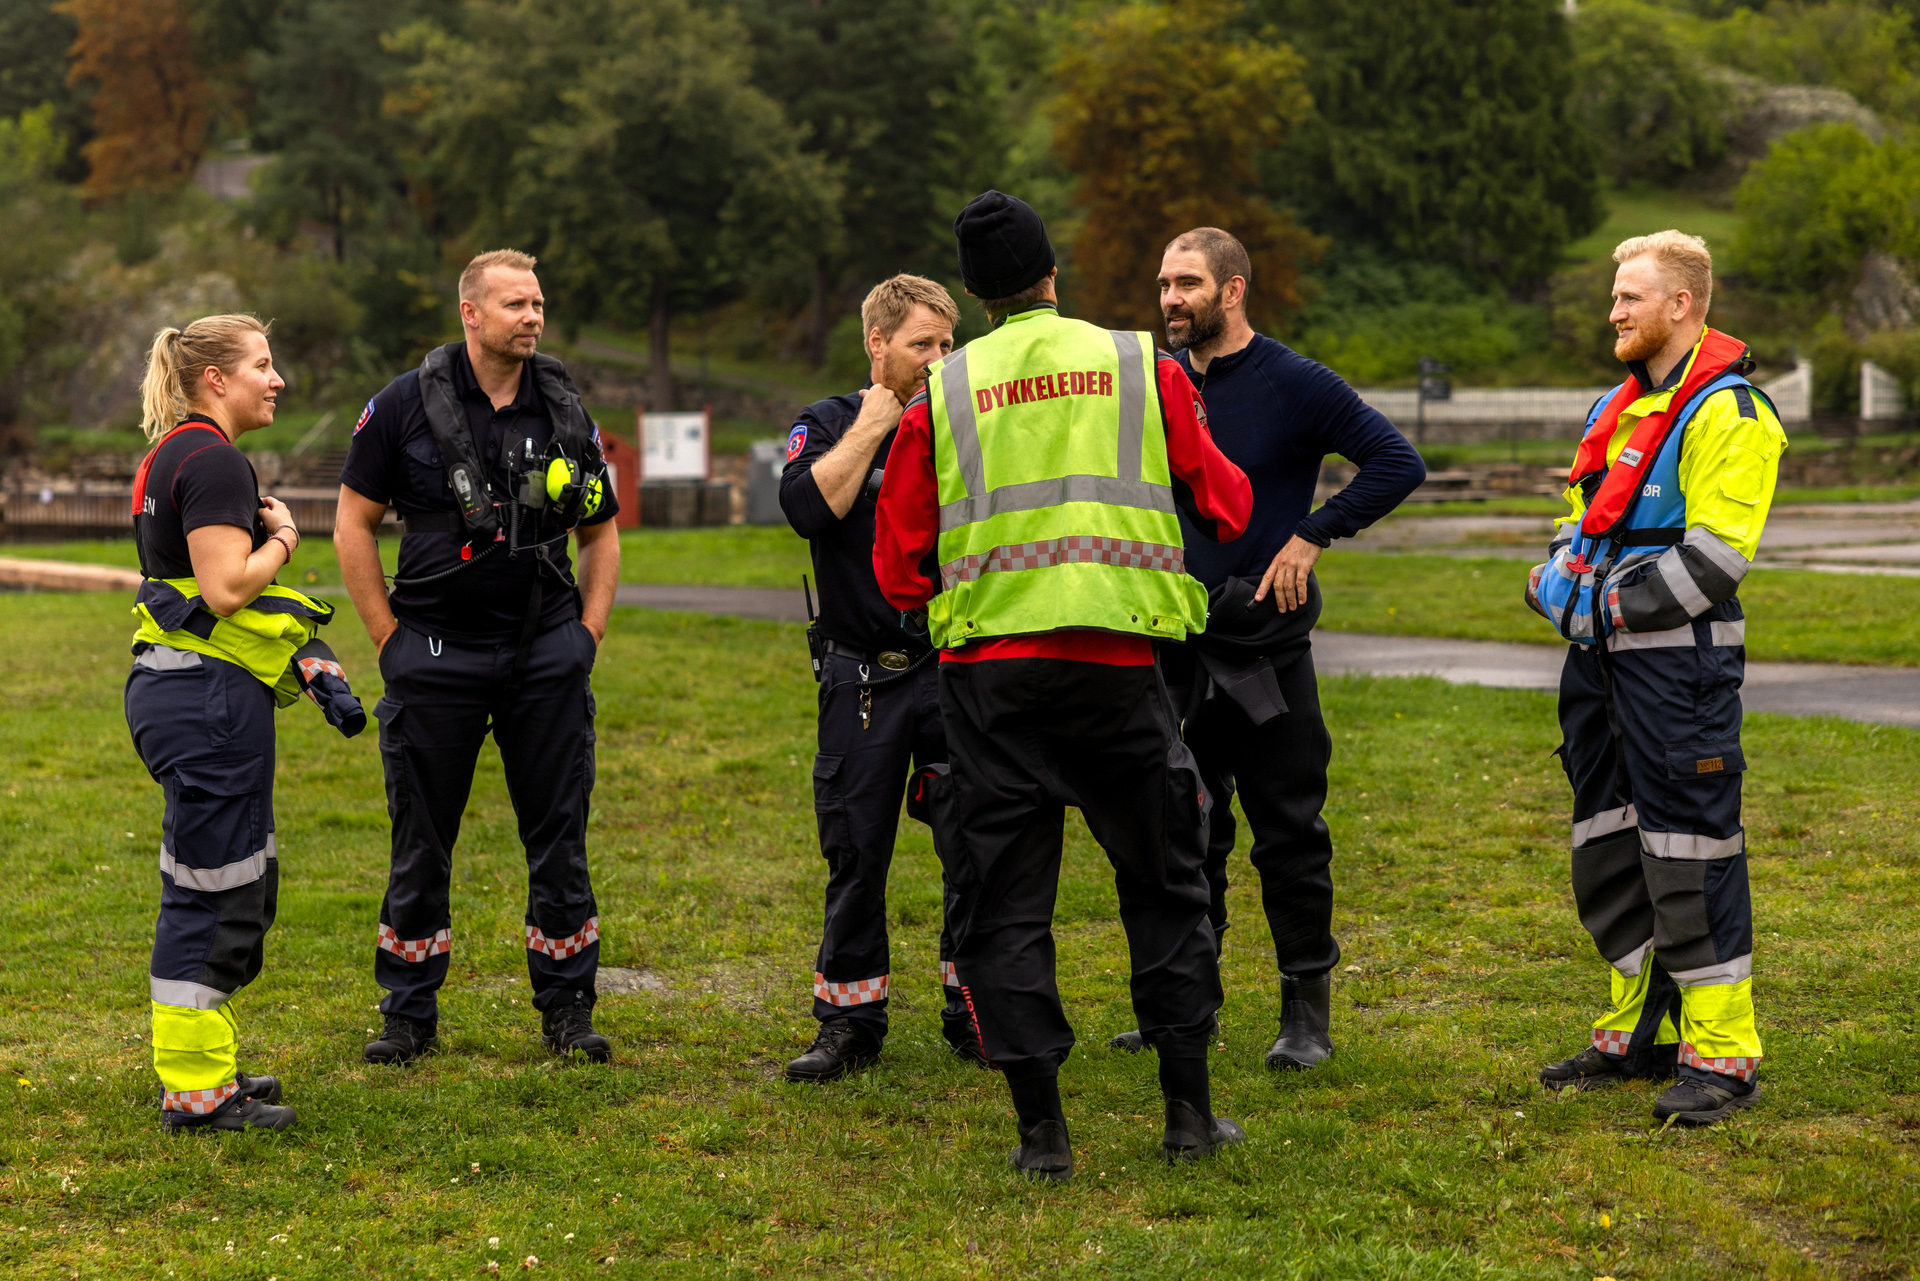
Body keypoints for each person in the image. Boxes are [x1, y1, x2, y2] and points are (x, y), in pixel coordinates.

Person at [873, 191, 1254, 1180]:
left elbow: (898, 569)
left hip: (991, 685)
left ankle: (1043, 1134)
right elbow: (1226, 499)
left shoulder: (944, 395)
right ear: (1054, 271)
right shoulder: (1139, 364)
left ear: (975, 292)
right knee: (1166, 884)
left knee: (1002, 901)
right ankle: (1188, 1117)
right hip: (1121, 669)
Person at [1105, 229, 1426, 1069]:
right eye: (1165, 283)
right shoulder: (1147, 380)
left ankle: (1305, 1014)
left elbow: (1398, 460)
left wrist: (1312, 534)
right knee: (1181, 833)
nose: (1171, 299)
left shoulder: (1293, 381)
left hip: (1267, 653)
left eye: (1188, 284)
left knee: (1289, 833)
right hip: (1174, 648)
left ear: (1234, 290)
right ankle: (1186, 1004)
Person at [336, 249, 621, 1066]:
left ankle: (568, 1008)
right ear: (471, 313)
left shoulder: (564, 407)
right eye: (515, 305)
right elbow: (352, 525)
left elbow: (601, 531)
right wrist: (388, 641)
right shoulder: (400, 405)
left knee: (559, 835)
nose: (532, 317)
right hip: (432, 654)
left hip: (547, 656)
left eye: (538, 304)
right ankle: (408, 1012)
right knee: (421, 839)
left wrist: (588, 636)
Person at [1526, 231, 1784, 1125]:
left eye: (1631, 296)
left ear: (1682, 304)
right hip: (1598, 670)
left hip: (1680, 672)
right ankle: (1635, 1035)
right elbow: (1574, 527)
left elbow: (1715, 558)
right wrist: (1555, 583)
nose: (1615, 311)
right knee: (1608, 845)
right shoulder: (1616, 404)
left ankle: (1723, 1055)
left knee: (1692, 851)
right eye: (1614, 295)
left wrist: (1594, 607)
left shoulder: (1733, 412)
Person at [128, 314, 358, 1132]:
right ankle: (195, 1091)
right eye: (263, 364)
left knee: (217, 879)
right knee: (213, 890)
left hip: (174, 691)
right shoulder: (216, 459)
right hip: (207, 699)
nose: (278, 378)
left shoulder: (167, 454)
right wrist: (288, 536)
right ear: (215, 379)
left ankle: (206, 1065)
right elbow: (227, 588)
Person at [777, 275, 984, 1081]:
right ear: (877, 344)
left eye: (946, 345)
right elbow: (804, 509)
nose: (939, 360)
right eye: (921, 345)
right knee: (856, 851)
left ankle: (974, 1006)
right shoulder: (828, 423)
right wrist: (872, 425)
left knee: (973, 841)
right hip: (860, 680)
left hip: (951, 667)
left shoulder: (966, 421)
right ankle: (850, 1020)